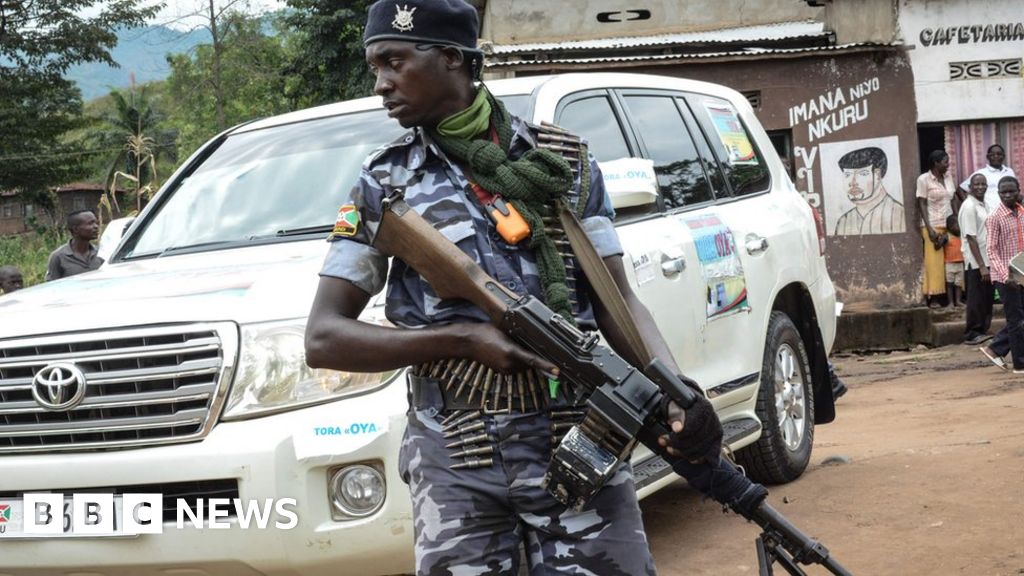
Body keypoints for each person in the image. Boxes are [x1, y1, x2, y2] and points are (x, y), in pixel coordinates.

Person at [303, 1, 722, 573]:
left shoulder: (564, 161)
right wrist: (460, 341)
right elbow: (325, 338)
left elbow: (617, 298)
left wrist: (675, 390)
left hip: (579, 439)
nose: (381, 83)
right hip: (456, 456)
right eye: (375, 65)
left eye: (395, 61)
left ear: (452, 58)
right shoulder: (385, 182)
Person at [983, 176, 1024, 374]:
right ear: (998, 194)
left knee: (1020, 319)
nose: (1007, 195)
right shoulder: (994, 218)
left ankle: (995, 348)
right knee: (1016, 320)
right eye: (1003, 192)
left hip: (1021, 273)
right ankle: (1020, 364)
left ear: (1018, 191)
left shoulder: (1021, 212)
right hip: (1005, 278)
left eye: (1011, 191)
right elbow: (991, 250)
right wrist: (1005, 275)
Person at [834, 146, 906, 236]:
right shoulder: (843, 222)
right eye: (848, 175)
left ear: (878, 175)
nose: (853, 182)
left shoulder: (900, 215)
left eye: (862, 174)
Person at [916, 150, 955, 308]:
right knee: (934, 262)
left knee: (952, 260)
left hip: (949, 225)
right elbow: (922, 203)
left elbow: (952, 197)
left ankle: (953, 298)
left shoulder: (948, 177)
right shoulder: (924, 179)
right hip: (933, 224)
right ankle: (934, 297)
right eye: (945, 162)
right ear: (936, 163)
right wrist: (929, 228)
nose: (948, 164)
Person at [45, 209, 104, 281]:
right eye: (90, 223)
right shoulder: (58, 257)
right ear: (76, 229)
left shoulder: (101, 253)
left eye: (96, 223)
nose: (96, 226)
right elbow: (52, 286)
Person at [959, 144, 1016, 213]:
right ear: (988, 157)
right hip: (990, 213)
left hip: (1009, 211)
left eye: (999, 154)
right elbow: (961, 189)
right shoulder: (981, 173)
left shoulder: (1009, 171)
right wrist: (972, 205)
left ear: (1003, 156)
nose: (996, 156)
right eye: (992, 154)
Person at [943, 213, 964, 308]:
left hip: (960, 263)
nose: (959, 227)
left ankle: (958, 301)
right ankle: (950, 302)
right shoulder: (947, 236)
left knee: (958, 284)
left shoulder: (961, 236)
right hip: (949, 264)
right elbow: (938, 246)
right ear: (950, 227)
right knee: (950, 284)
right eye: (957, 225)